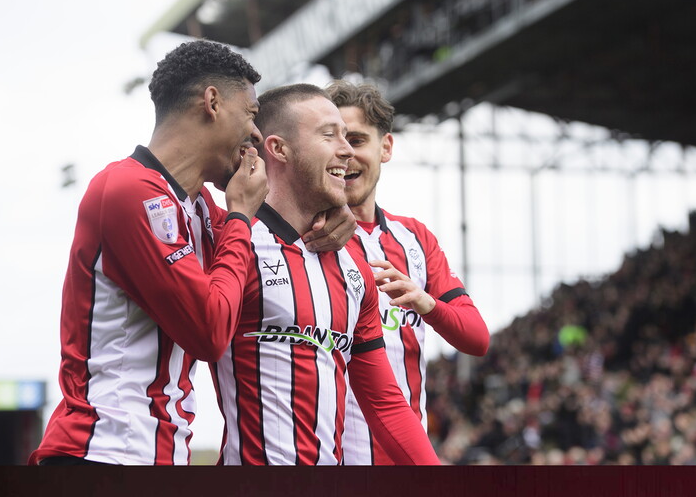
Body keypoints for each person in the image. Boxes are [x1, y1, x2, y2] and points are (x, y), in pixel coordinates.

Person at [29, 40, 352, 466]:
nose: (255, 134)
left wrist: (333, 212)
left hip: (161, 456)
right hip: (102, 452)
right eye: (251, 114)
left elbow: (271, 241)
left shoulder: (201, 209)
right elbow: (208, 333)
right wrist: (238, 214)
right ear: (212, 103)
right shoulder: (127, 190)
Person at [211, 83, 440, 465]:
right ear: (278, 148)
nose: (347, 150)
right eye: (329, 135)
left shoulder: (354, 267)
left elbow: (385, 405)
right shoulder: (231, 238)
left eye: (349, 137)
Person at [325, 79, 490, 465]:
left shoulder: (414, 238)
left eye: (358, 140)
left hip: (409, 459)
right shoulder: (305, 240)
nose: (346, 154)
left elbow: (477, 339)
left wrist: (425, 303)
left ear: (386, 147)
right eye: (335, 142)